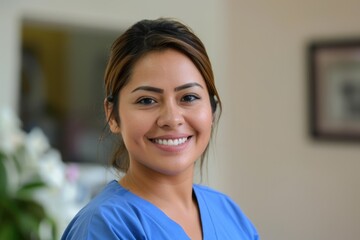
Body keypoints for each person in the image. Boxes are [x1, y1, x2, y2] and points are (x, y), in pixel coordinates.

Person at [61, 18, 259, 240]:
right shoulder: (105, 226)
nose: (172, 119)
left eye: (189, 97)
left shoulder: (228, 213)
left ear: (211, 110)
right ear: (113, 115)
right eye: (147, 100)